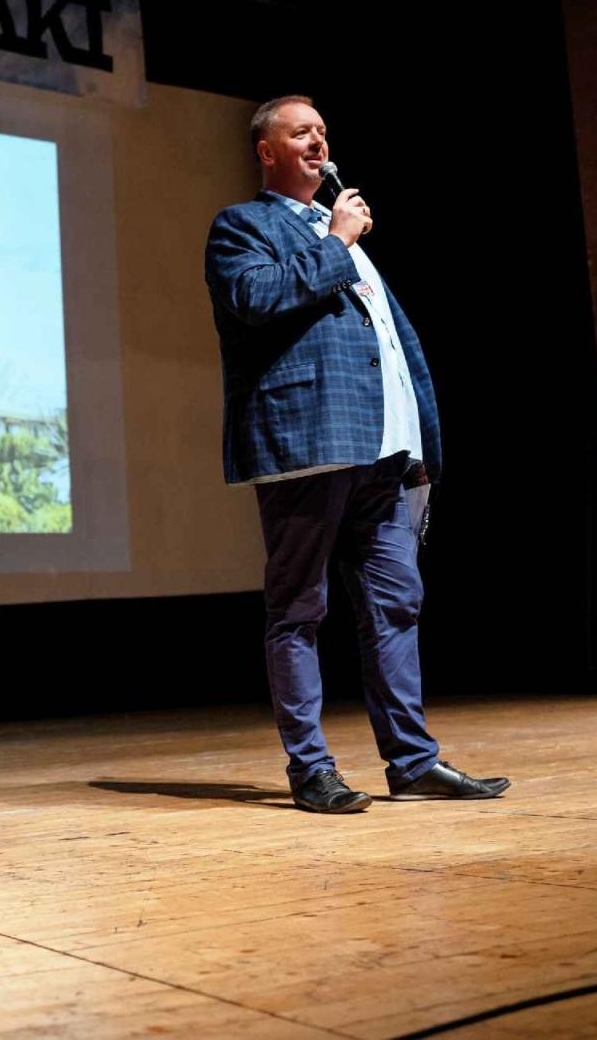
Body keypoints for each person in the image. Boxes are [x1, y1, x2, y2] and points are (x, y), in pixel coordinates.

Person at [203, 95, 510, 814]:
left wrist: (421, 443)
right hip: (310, 449)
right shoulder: (243, 227)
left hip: (385, 452)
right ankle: (311, 768)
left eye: (323, 132)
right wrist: (336, 243)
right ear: (266, 152)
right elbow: (256, 300)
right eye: (300, 132)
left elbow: (392, 350)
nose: (318, 141)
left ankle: (412, 760)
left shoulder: (341, 235)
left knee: (396, 604)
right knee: (299, 608)